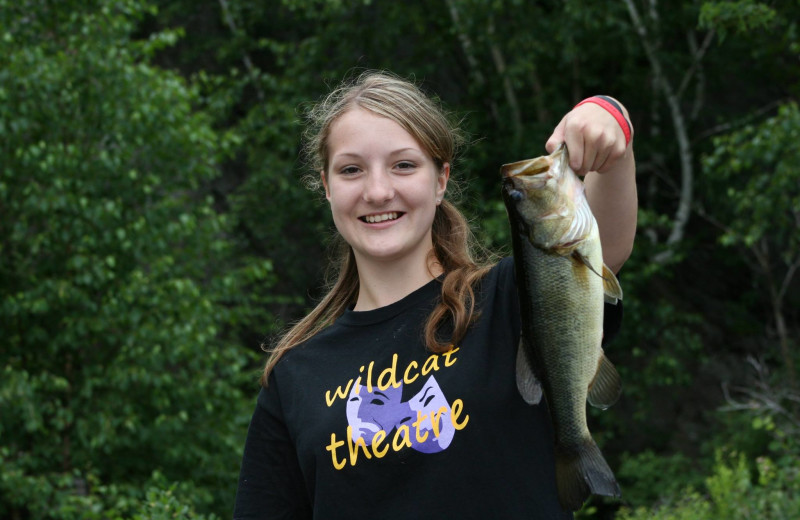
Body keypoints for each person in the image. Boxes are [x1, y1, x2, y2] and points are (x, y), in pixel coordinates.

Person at [233, 71, 637, 519]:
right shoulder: (294, 375)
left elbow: (607, 246)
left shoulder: (508, 298)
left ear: (440, 180)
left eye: (404, 165)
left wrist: (607, 117)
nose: (378, 191)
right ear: (326, 187)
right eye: (351, 170)